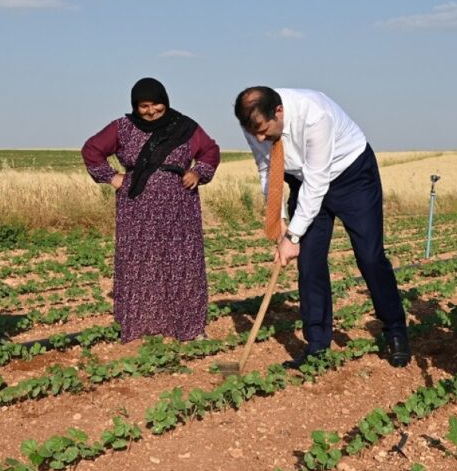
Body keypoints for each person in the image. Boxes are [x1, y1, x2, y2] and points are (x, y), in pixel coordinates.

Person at [234, 87, 409, 368]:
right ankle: (317, 347)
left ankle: (396, 332)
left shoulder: (315, 114)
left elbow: (317, 182)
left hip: (351, 177)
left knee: (370, 257)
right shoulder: (253, 122)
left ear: (278, 111)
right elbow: (267, 169)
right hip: (301, 180)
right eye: (253, 131)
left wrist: (293, 235)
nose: (259, 138)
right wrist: (276, 218)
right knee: (310, 262)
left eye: (264, 130)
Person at [82, 77, 220, 342]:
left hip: (180, 204)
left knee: (182, 261)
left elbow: (210, 151)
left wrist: (198, 172)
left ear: (165, 101)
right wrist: (112, 177)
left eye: (156, 104)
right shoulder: (122, 127)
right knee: (139, 260)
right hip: (137, 205)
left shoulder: (185, 127)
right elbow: (92, 150)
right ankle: (140, 325)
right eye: (144, 105)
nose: (151, 111)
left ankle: (188, 326)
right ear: (135, 105)